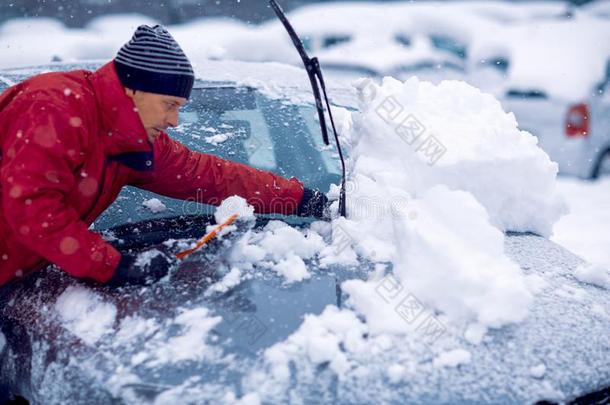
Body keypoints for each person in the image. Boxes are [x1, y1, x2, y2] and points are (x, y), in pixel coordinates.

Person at [0, 25, 328, 287]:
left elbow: (209, 176)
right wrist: (113, 266)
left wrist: (302, 199)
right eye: (169, 105)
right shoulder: (53, 107)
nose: (174, 121)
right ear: (133, 90)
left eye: (179, 108)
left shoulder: (129, 138)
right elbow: (32, 206)